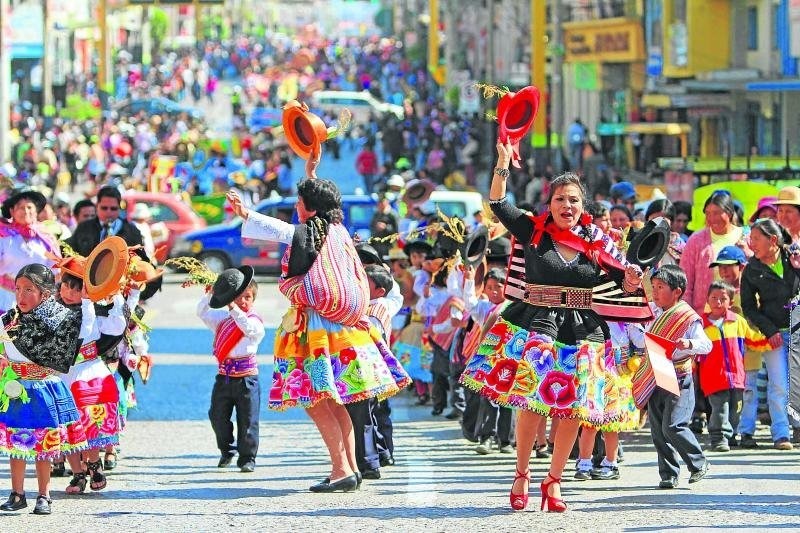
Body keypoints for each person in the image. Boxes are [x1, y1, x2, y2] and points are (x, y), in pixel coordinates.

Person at [461, 141, 645, 512]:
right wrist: (501, 162)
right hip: (537, 325)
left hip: (584, 331)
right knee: (533, 402)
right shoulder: (533, 231)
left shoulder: (597, 242)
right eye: (561, 199)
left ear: (584, 205)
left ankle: (554, 480)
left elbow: (623, 284)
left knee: (574, 409)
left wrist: (633, 277)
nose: (567, 206)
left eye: (574, 200)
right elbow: (497, 204)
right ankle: (522, 474)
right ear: (550, 203)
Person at [225, 155, 410, 493]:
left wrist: (245, 215)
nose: (296, 207)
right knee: (334, 400)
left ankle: (341, 469)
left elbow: (283, 231)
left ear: (309, 208)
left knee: (316, 400)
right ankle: (348, 468)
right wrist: (311, 172)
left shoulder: (309, 233)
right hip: (346, 328)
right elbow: (321, 205)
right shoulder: (338, 230)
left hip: (316, 330)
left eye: (299, 202)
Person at [0, 264, 89, 515]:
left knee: (44, 444)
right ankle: (17, 493)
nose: (21, 295)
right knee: (17, 444)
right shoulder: (9, 320)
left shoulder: (60, 320)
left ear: (45, 293)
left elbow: (62, 356)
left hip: (43, 389)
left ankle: (44, 495)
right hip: (16, 389)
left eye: (29, 289)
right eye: (18, 289)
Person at [55, 260, 126, 494]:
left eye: (77, 288)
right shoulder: (52, 311)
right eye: (66, 286)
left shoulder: (93, 311)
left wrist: (115, 299)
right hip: (62, 375)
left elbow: (115, 328)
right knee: (67, 426)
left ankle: (94, 463)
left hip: (89, 372)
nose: (70, 292)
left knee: (90, 422)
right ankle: (77, 473)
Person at [644, 264, 712, 489]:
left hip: (679, 376)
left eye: (660, 287)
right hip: (655, 374)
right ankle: (668, 474)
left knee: (673, 426)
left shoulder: (687, 317)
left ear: (677, 292)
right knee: (657, 429)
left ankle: (698, 462)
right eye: (653, 286)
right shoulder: (652, 313)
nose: (655, 291)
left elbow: (706, 345)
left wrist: (689, 344)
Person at [197, 267, 264, 473]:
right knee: (217, 416)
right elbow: (202, 312)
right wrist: (212, 293)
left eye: (248, 297)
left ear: (253, 300)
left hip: (247, 379)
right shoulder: (222, 321)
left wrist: (234, 309)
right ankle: (227, 450)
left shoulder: (255, 322)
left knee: (248, 420)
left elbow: (247, 328)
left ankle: (247, 458)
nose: (243, 301)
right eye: (239, 297)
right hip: (224, 377)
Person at [741, 218, 800, 450]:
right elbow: (748, 307)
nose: (751, 243)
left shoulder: (793, 257)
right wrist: (769, 330)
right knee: (778, 385)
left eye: (756, 239)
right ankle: (781, 435)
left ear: (772, 240)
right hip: (774, 335)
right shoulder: (751, 269)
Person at [699, 280, 764, 452]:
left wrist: (771, 339)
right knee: (720, 408)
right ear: (707, 300)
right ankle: (718, 438)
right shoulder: (700, 325)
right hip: (713, 377)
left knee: (736, 409)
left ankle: (730, 434)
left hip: (736, 376)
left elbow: (754, 340)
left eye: (723, 298)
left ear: (731, 302)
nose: (718, 302)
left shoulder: (737, 322)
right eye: (713, 298)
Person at [682, 190, 749, 315]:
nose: (712, 218)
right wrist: (689, 316)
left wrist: (748, 253)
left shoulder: (746, 237)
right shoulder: (696, 240)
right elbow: (685, 282)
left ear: (729, 213)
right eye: (708, 213)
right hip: (705, 316)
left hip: (741, 314)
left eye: (717, 213)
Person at [0, 189, 61, 314]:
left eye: (29, 207)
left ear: (36, 211)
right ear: (12, 211)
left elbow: (56, 269)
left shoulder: (46, 238)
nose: (26, 211)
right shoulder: (3, 235)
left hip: (37, 300)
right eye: (21, 207)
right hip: (6, 297)